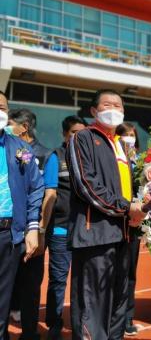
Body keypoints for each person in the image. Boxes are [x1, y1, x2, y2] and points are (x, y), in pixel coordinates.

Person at [66, 89, 145, 340]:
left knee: (119, 300)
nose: (113, 110)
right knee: (93, 303)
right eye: (107, 105)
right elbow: (85, 184)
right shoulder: (83, 138)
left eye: (118, 106)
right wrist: (125, 207)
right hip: (95, 234)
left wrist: (143, 206)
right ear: (93, 111)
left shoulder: (122, 145)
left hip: (125, 234)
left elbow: (133, 186)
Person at [8, 108, 59, 340]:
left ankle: (29, 333)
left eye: (11, 123)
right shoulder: (11, 150)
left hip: (32, 230)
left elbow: (49, 195)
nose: (7, 128)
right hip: (8, 228)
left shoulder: (46, 155)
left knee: (30, 284)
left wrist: (39, 229)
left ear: (24, 127)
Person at [0, 91, 44, 339]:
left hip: (8, 235)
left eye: (2, 107)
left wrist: (33, 226)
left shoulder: (22, 148)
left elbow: (36, 185)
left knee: (3, 301)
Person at [45, 116, 87, 340]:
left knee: (83, 281)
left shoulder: (90, 157)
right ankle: (54, 323)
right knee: (59, 279)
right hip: (61, 229)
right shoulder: (56, 157)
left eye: (82, 132)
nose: (78, 136)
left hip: (85, 230)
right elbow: (50, 193)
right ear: (64, 134)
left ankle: (80, 324)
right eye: (73, 132)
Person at [116, 122, 141, 337]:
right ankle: (113, 316)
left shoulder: (142, 163)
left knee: (130, 271)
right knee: (113, 271)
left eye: (132, 135)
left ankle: (127, 316)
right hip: (114, 223)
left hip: (134, 225)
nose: (128, 138)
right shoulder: (112, 159)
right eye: (124, 134)